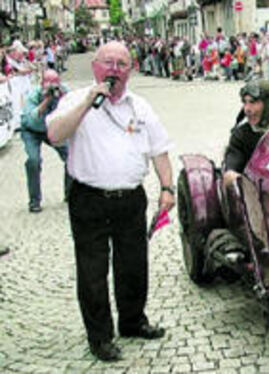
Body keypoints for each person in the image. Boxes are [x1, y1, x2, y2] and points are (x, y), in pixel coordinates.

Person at [46, 41, 175, 361]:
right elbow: (55, 135)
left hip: (130, 198)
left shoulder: (140, 106)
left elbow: (159, 150)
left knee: (133, 265)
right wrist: (89, 100)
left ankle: (132, 321)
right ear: (95, 66)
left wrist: (167, 188)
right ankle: (100, 337)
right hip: (89, 198)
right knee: (92, 271)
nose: (114, 70)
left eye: (121, 64)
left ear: (131, 70)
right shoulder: (76, 100)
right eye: (108, 63)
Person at [20, 69, 71, 213]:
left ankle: (69, 193)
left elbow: (74, 106)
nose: (52, 88)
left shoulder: (63, 90)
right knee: (33, 161)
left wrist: (63, 97)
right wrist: (46, 100)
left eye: (55, 84)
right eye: (48, 85)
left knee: (71, 156)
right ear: (42, 84)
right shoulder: (33, 95)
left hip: (50, 130)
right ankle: (34, 201)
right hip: (31, 130)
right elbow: (32, 118)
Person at [223, 80, 269, 186]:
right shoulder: (241, 135)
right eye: (245, 102)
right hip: (255, 192)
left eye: (252, 102)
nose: (247, 109)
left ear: (268, 105)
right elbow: (231, 170)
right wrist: (232, 175)